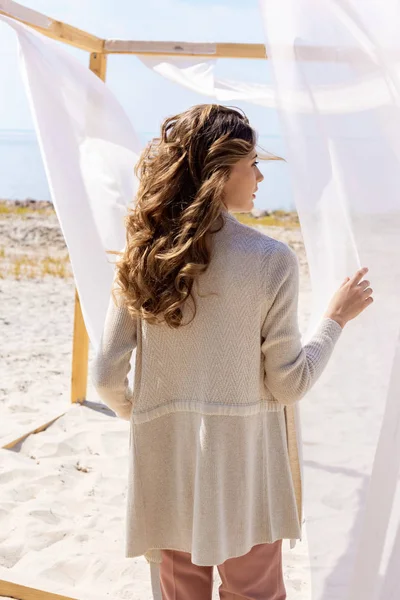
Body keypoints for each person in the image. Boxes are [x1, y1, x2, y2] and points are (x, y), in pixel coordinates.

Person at [91, 104, 373, 600]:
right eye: (253, 165)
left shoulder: (142, 256)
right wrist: (335, 320)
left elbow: (107, 375)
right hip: (247, 471)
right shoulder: (270, 260)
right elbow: (289, 383)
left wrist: (156, 415)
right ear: (221, 174)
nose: (261, 176)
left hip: (168, 468)